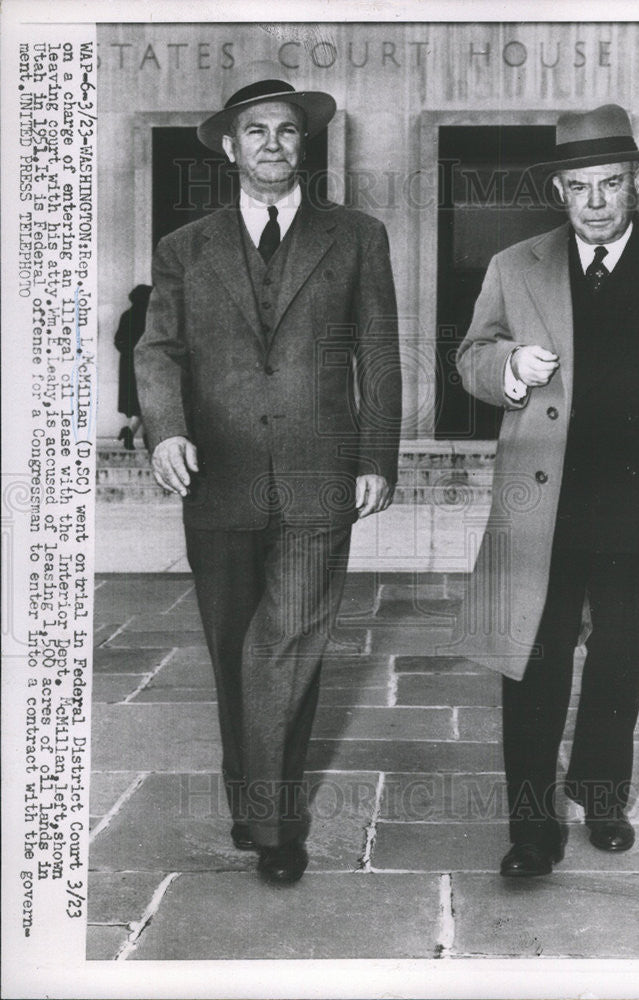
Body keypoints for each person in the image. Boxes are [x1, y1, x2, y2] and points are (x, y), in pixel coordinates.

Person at [455, 104, 639, 878]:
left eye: (608, 184)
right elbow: (470, 355)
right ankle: (530, 828)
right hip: (544, 498)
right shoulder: (514, 266)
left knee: (620, 654)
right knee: (533, 656)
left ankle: (603, 795)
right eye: (577, 186)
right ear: (557, 189)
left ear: (635, 185)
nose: (592, 202)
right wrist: (507, 368)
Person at [135, 79, 401, 885]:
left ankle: (276, 823)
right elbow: (158, 351)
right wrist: (166, 429)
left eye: (287, 131)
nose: (274, 144)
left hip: (320, 479)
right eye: (257, 132)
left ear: (304, 144)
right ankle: (252, 800)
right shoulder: (184, 248)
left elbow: (379, 355)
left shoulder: (356, 236)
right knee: (232, 649)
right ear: (230, 147)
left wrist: (376, 458)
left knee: (285, 648)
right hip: (217, 478)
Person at [114, 284, 152, 449]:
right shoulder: (150, 317)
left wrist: (128, 353)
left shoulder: (126, 315)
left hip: (128, 365)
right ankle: (138, 434)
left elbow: (118, 340)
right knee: (147, 402)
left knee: (139, 403)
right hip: (145, 363)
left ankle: (132, 432)